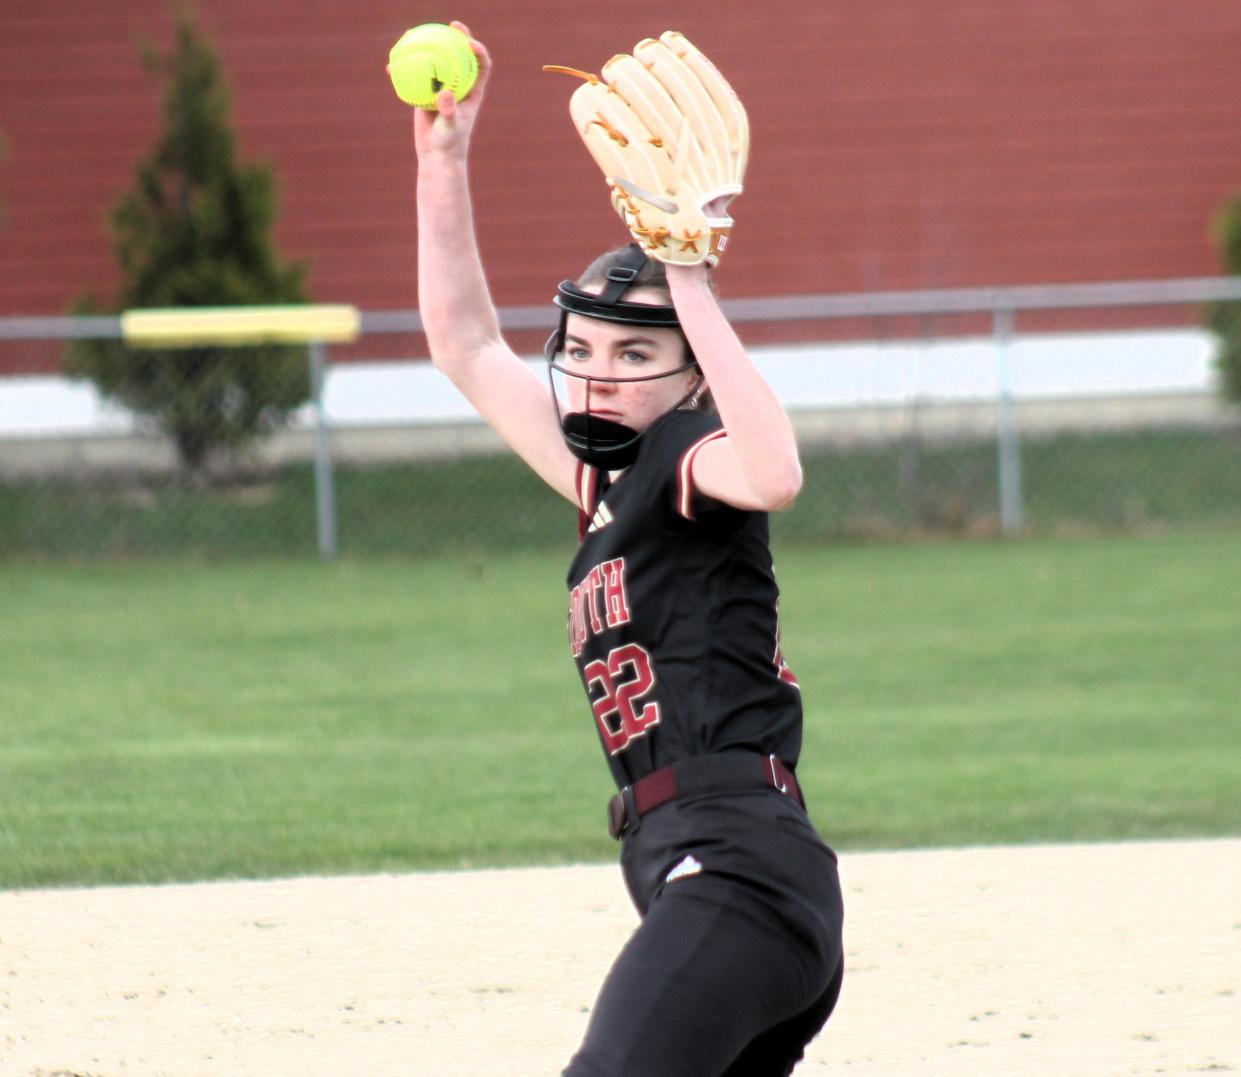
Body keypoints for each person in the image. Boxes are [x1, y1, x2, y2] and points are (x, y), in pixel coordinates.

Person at [409, 24, 844, 1077]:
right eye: (583, 349)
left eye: (635, 353)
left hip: (738, 876)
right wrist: (443, 163)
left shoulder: (691, 455)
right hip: (691, 869)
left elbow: (775, 471)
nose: (597, 373)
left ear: (690, 376)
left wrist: (690, 282)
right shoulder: (607, 485)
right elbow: (466, 346)